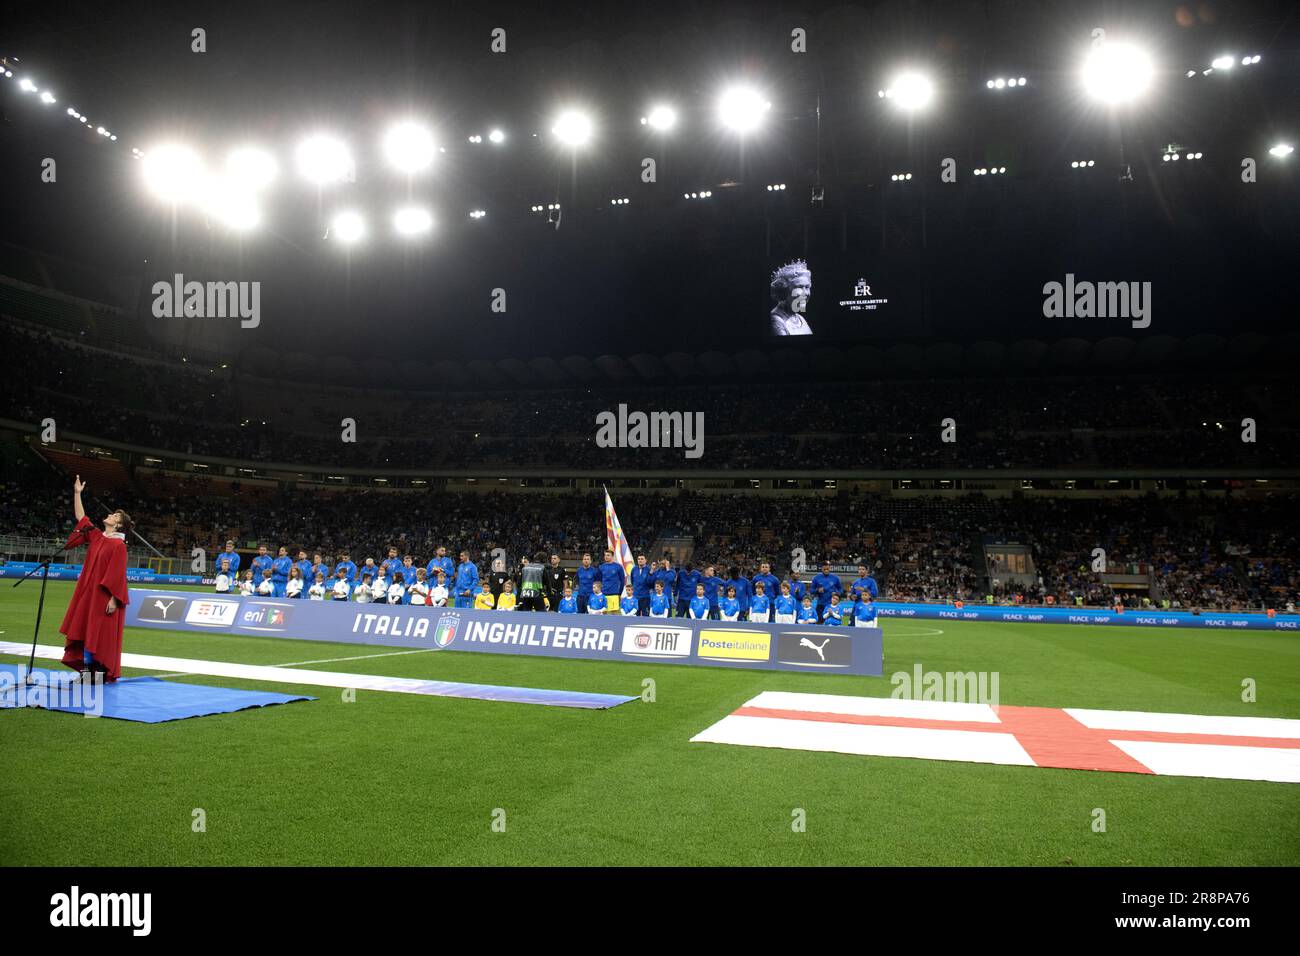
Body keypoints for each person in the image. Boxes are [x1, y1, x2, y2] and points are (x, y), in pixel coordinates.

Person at [58, 475, 131, 683]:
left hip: (103, 596)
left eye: (115, 516)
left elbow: (118, 575)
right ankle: (86, 670)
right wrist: (77, 493)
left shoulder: (119, 546)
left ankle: (96, 671)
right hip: (87, 593)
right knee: (83, 629)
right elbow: (82, 518)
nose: (110, 515)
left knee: (98, 634)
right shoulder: (98, 536)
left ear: (118, 526)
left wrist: (114, 599)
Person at [769, 259, 814, 336]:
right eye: (799, 287)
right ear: (783, 291)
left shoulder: (800, 318)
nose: (805, 293)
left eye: (807, 287)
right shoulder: (776, 321)